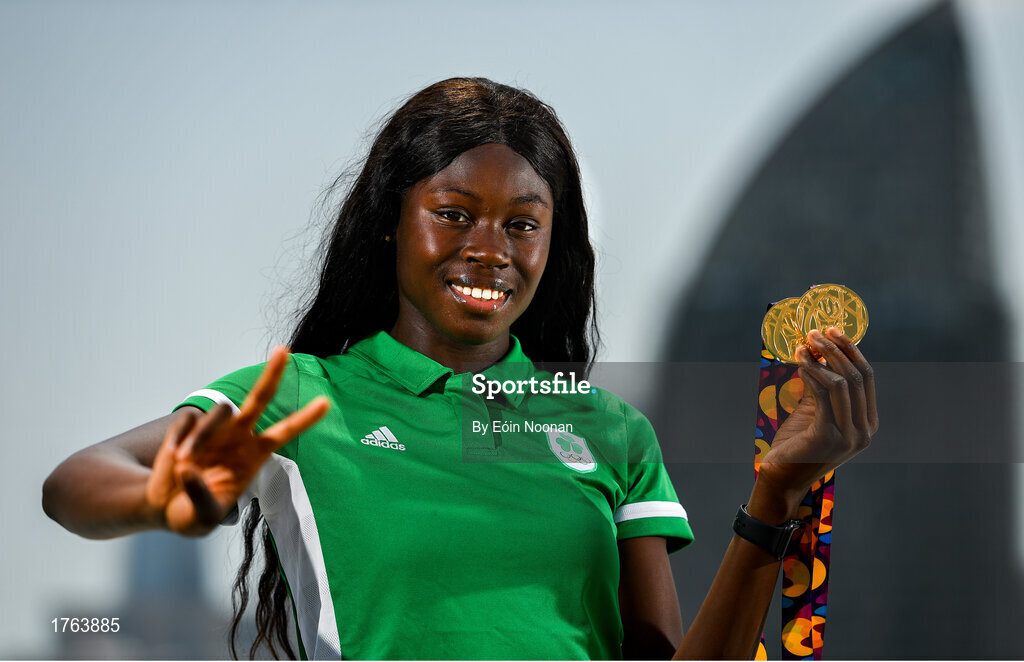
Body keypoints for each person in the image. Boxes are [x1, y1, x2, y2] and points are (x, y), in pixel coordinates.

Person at [42, 77, 877, 660]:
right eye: (453, 214)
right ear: (389, 224)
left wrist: (776, 495)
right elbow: (78, 480)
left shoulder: (607, 430)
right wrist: (159, 495)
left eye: (523, 224)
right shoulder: (303, 396)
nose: (490, 249)